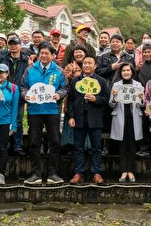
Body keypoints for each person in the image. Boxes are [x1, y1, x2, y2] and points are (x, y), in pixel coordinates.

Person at [21, 44, 68, 186]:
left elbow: (65, 87)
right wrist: (26, 95)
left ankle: (53, 173)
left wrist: (59, 95)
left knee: (54, 142)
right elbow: (23, 87)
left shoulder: (59, 70)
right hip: (35, 110)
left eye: (47, 53)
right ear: (38, 54)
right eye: (41, 53)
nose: (44, 56)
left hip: (53, 110)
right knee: (35, 142)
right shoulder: (30, 69)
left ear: (53, 55)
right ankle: (35, 173)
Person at [67, 56, 109, 184]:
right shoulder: (75, 81)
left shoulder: (101, 81)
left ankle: (96, 173)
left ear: (95, 66)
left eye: (90, 63)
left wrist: (95, 99)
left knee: (96, 147)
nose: (87, 65)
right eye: (85, 63)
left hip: (95, 118)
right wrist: (71, 116)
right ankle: (79, 173)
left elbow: (106, 100)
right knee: (78, 147)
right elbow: (70, 100)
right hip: (79, 118)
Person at [0, 37, 31, 156]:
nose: (13, 46)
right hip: (4, 93)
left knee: (18, 121)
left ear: (20, 46)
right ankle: (5, 145)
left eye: (16, 44)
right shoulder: (2, 58)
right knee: (4, 120)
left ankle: (18, 146)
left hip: (19, 94)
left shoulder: (26, 60)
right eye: (11, 44)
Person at [109, 63, 144, 182]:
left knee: (133, 146)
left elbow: (142, 104)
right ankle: (124, 171)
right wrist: (113, 97)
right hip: (120, 118)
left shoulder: (138, 85)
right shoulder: (116, 85)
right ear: (120, 72)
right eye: (123, 70)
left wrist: (141, 98)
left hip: (134, 118)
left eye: (128, 70)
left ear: (132, 72)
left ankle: (132, 171)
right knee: (122, 146)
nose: (126, 72)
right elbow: (111, 104)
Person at [136, 44, 151, 156]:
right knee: (144, 123)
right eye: (145, 52)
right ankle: (144, 148)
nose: (147, 54)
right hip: (142, 98)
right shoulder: (139, 65)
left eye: (149, 52)